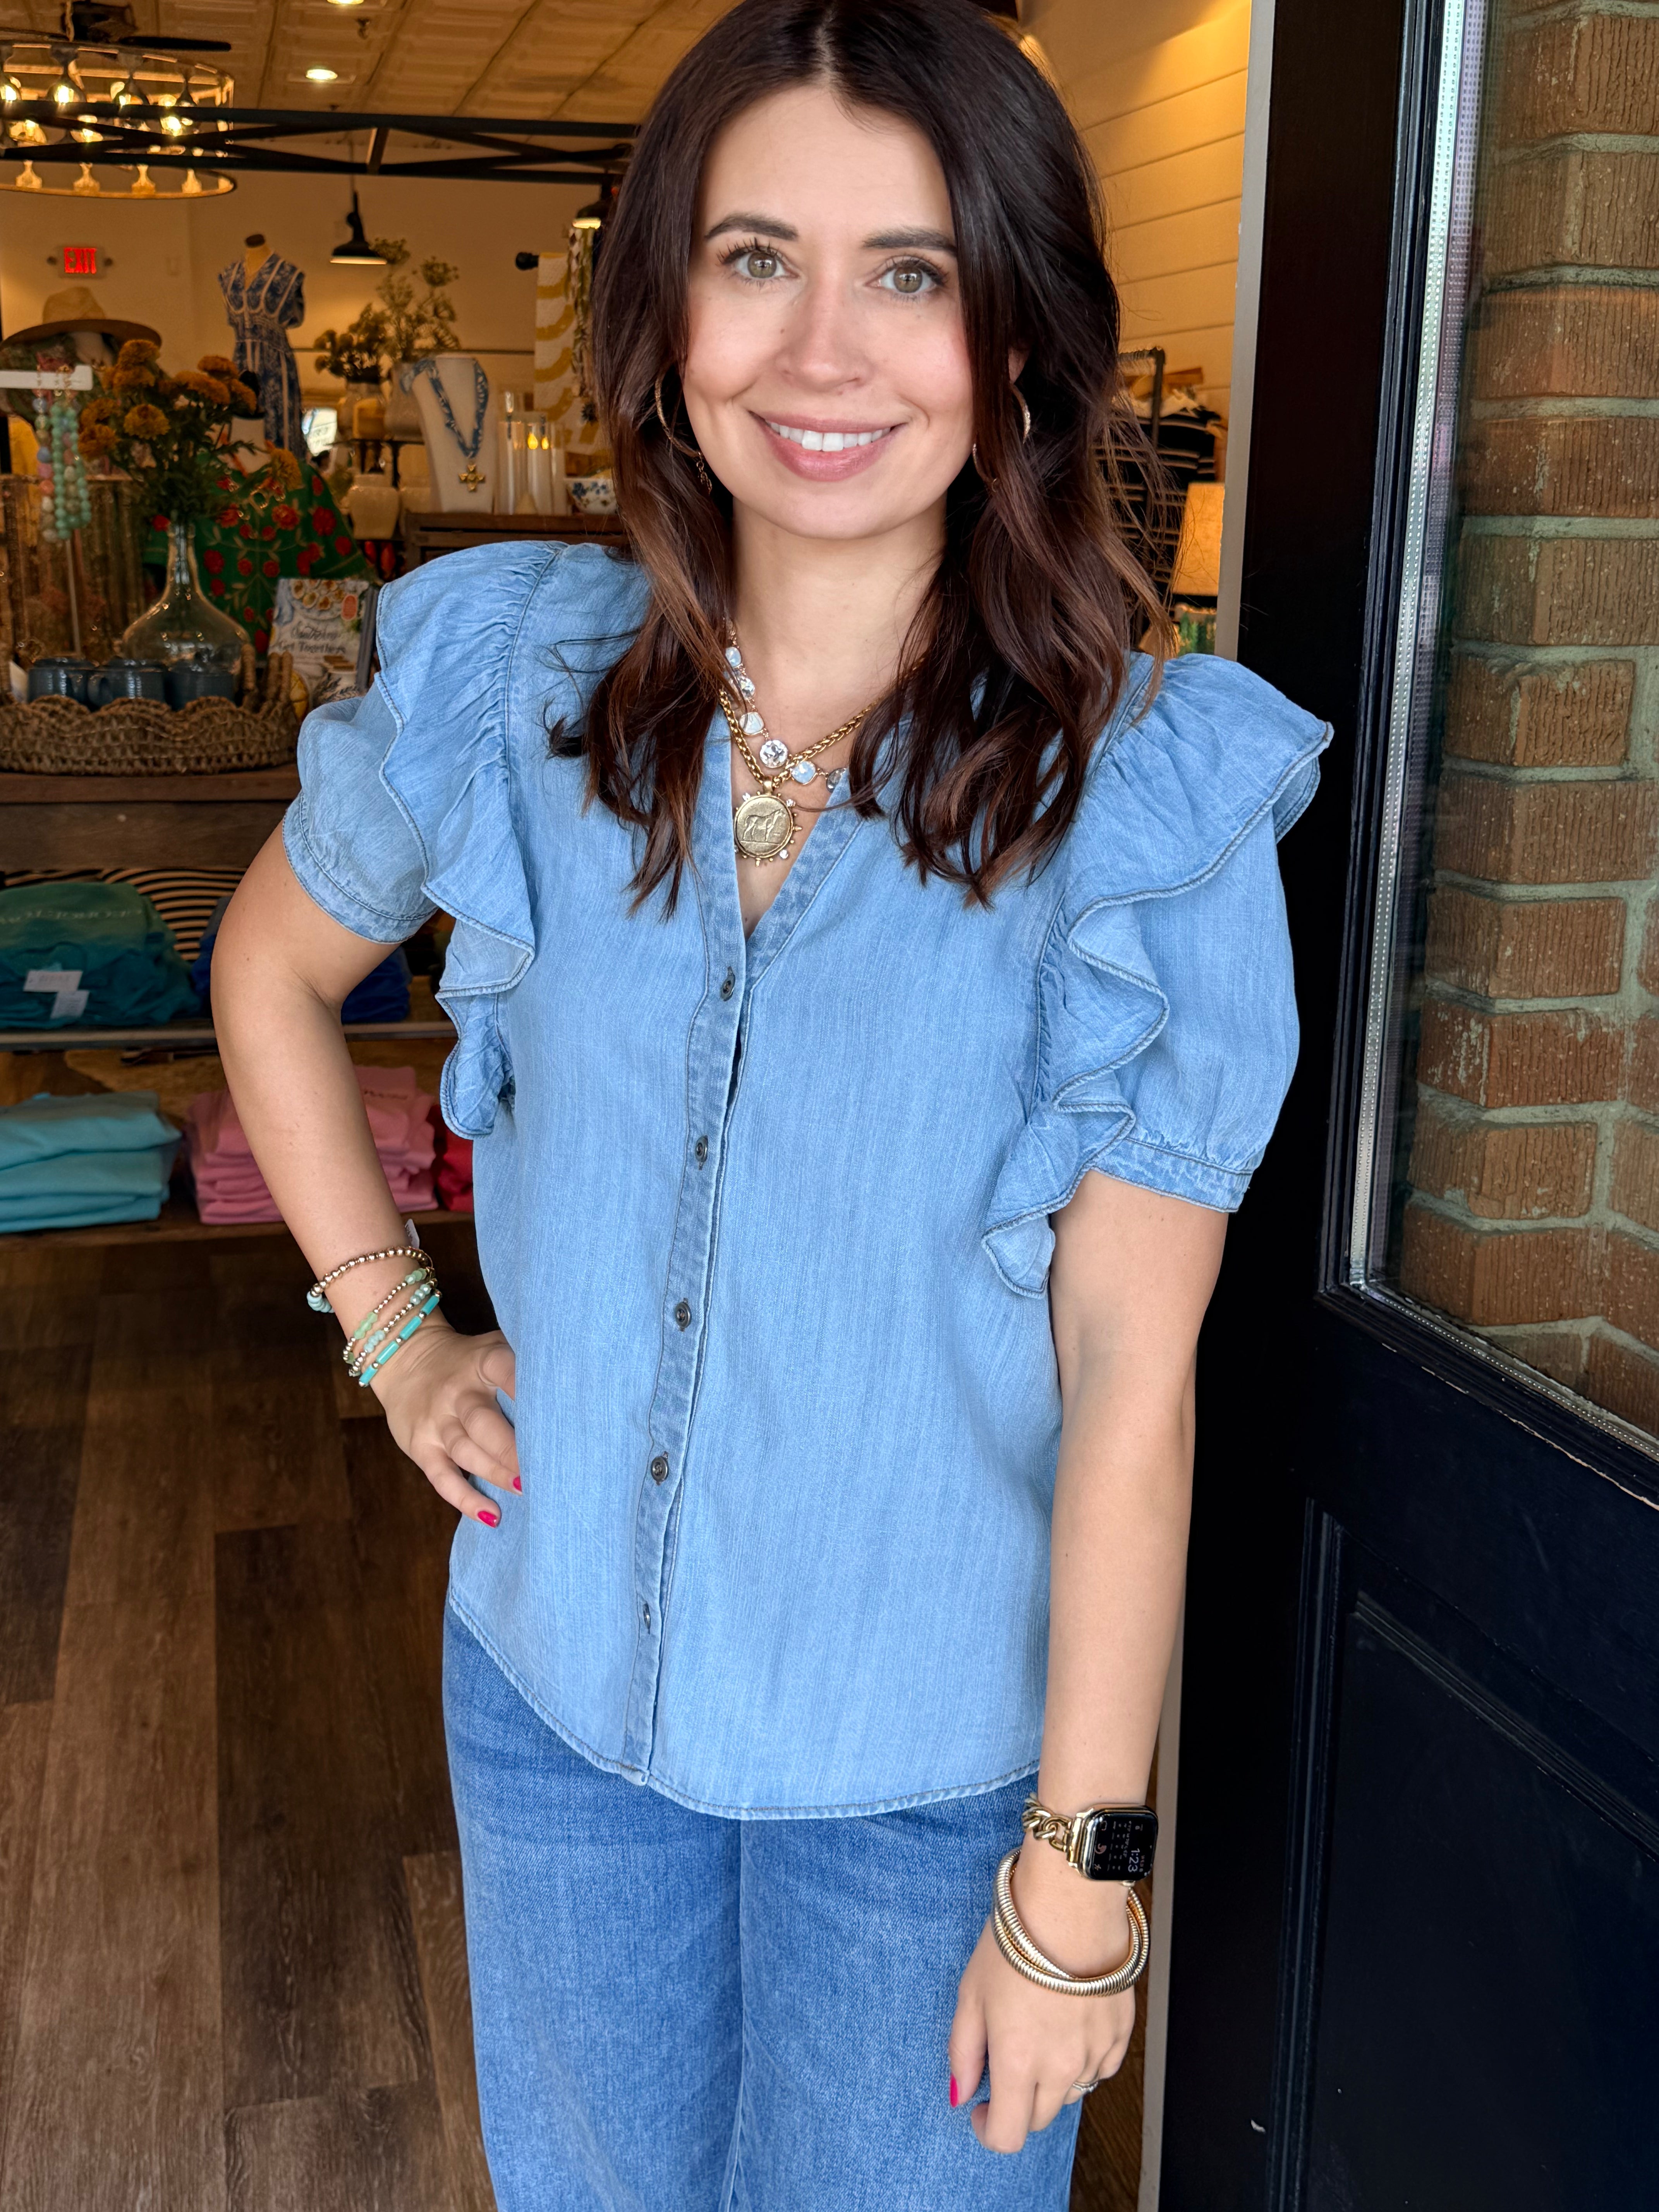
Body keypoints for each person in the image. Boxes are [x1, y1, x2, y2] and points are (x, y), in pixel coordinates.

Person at [212, 1, 1328, 2203]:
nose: (825, 351)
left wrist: (1083, 1869)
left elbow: (1133, 1380)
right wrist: (395, 1331)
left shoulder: (1144, 804)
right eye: (756, 260)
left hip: (929, 1788)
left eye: (912, 272)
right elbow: (268, 971)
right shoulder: (513, 682)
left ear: (1017, 340)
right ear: (665, 309)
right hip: (558, 1720)